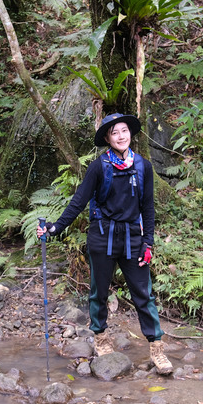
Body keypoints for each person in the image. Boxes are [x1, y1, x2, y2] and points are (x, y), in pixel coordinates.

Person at [37, 113, 174, 375]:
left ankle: (157, 347)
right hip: (102, 237)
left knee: (143, 294)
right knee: (99, 292)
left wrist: (148, 243)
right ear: (108, 139)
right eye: (115, 132)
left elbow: (148, 208)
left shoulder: (143, 166)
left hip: (133, 238)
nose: (121, 136)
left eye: (124, 131)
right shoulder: (99, 167)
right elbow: (79, 201)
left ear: (130, 134)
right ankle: (100, 338)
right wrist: (55, 228)